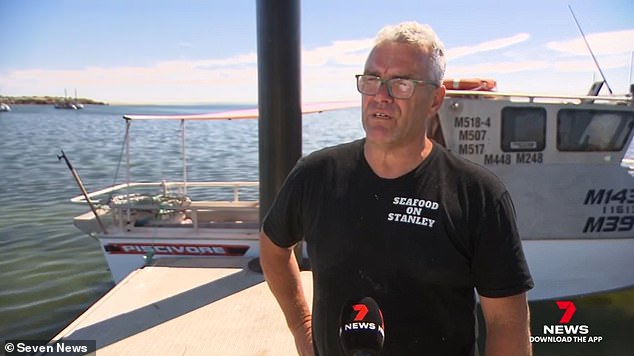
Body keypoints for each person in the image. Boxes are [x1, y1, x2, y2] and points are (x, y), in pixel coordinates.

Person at [259, 21, 533, 356]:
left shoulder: (477, 195)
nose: (380, 97)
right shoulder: (315, 175)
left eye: (401, 83)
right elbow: (273, 248)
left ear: (435, 99)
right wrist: (302, 327)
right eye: (372, 80)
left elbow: (507, 322)